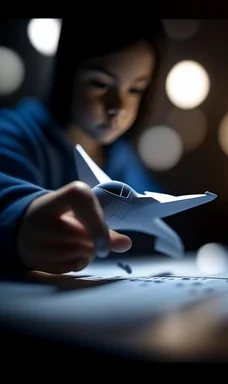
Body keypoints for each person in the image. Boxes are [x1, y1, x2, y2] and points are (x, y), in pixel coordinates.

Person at [0, 18, 167, 274]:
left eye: (136, 89)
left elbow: (158, 219)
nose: (118, 107)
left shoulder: (121, 158)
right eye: (100, 84)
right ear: (67, 74)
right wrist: (19, 220)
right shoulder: (14, 133)